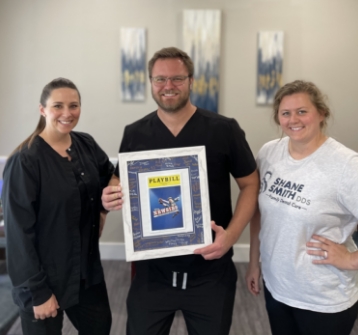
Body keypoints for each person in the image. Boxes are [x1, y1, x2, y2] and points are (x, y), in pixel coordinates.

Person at [102, 47, 259, 335]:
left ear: (191, 81)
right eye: (160, 79)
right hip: (152, 273)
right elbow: (119, 181)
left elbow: (250, 184)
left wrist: (231, 237)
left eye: (177, 79)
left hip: (210, 270)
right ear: (151, 82)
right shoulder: (135, 132)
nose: (168, 86)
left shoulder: (224, 129)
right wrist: (110, 194)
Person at [1, 78, 114, 335]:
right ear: (43, 109)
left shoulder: (86, 144)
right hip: (44, 278)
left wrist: (103, 209)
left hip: (86, 274)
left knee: (101, 328)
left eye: (74, 105)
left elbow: (110, 175)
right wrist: (37, 293)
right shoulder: (25, 161)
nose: (67, 113)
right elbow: (19, 235)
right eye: (58, 106)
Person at [246, 80, 358, 335]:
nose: (293, 119)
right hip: (278, 287)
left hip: (324, 298)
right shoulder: (269, 153)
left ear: (321, 114)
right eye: (286, 113)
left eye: (302, 111)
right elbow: (259, 214)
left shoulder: (347, 166)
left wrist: (351, 259)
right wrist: (254, 262)